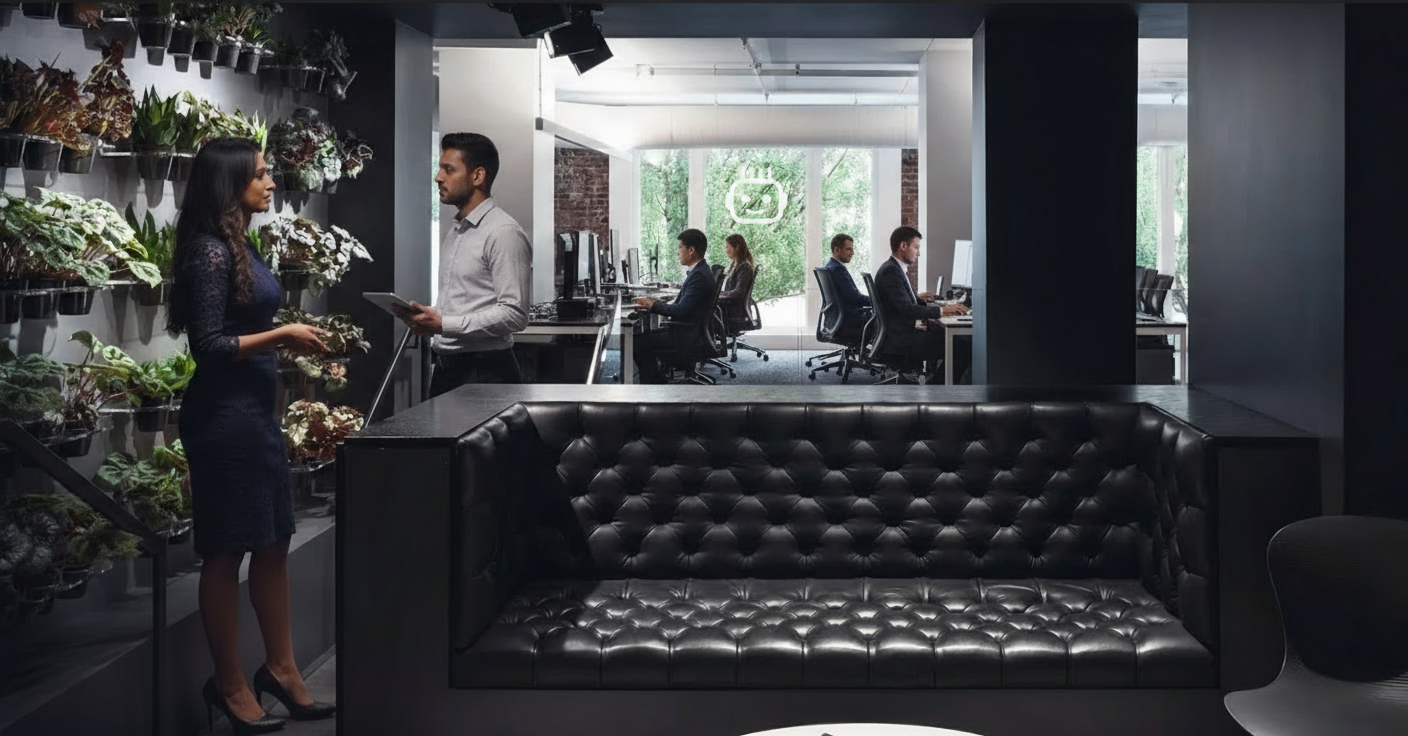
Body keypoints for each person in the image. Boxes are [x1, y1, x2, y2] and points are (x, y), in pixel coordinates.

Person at [168, 137, 336, 734]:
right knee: (226, 552)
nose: (271, 183)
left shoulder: (239, 244)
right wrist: (284, 334)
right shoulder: (209, 255)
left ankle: (284, 671)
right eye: (261, 175)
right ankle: (231, 683)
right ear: (229, 183)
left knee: (272, 544)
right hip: (223, 421)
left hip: (254, 417)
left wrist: (285, 338)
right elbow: (210, 348)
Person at [395, 133, 531, 395]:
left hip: (485, 372)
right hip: (448, 369)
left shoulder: (503, 232)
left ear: (477, 176)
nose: (438, 177)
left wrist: (444, 324)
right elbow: (467, 300)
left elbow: (515, 314)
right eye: (439, 168)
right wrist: (430, 315)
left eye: (448, 169)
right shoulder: (457, 230)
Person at [872, 226, 968, 384]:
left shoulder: (892, 268)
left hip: (897, 335)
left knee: (945, 337)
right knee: (961, 348)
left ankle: (935, 384)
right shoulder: (891, 272)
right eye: (916, 247)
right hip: (899, 341)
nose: (919, 253)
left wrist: (917, 299)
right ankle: (937, 389)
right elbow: (907, 310)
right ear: (903, 246)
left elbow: (899, 303)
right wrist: (943, 310)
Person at [631, 229, 717, 384]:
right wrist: (655, 303)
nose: (678, 252)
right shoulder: (700, 271)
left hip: (688, 336)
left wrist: (653, 305)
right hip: (691, 332)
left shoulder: (698, 276)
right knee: (644, 337)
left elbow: (681, 311)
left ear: (691, 250)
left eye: (680, 248)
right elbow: (682, 305)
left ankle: (654, 387)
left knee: (636, 342)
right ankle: (656, 384)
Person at [823, 233, 872, 341]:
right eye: (849, 249)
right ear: (837, 250)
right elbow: (854, 298)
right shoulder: (837, 270)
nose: (852, 253)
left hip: (834, 320)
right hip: (847, 322)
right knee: (885, 322)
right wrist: (876, 301)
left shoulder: (830, 267)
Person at [717, 233, 756, 325]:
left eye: (728, 247)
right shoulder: (735, 265)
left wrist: (720, 295)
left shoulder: (744, 267)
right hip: (730, 308)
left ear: (737, 247)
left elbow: (738, 292)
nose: (726, 250)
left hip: (735, 311)